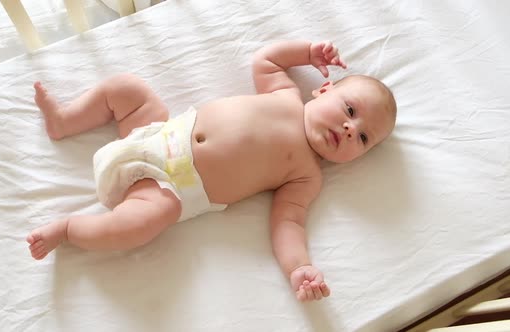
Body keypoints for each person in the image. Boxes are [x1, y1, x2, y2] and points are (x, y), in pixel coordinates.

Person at [26, 40, 397, 302]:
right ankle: (64, 121)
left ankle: (69, 229)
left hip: (167, 189)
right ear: (323, 89)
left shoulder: (306, 175)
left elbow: (289, 224)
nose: (351, 129)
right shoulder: (284, 94)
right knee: (127, 88)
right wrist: (307, 52)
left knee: (140, 226)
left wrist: (299, 268)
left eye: (363, 138)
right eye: (350, 110)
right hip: (156, 129)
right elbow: (265, 59)